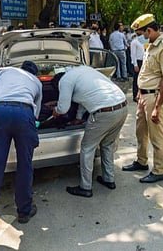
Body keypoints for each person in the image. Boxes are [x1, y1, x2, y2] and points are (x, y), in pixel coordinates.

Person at [0, 61, 42, 247]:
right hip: (24, 114)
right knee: (25, 166)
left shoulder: (4, 71)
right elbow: (37, 112)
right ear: (34, 73)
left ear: (20, 68)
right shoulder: (37, 82)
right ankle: (24, 211)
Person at [52, 66, 127, 198]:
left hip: (104, 112)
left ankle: (85, 187)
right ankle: (109, 179)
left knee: (87, 148)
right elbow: (83, 99)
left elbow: (63, 108)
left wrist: (56, 111)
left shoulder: (64, 81)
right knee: (107, 145)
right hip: (122, 106)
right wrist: (78, 118)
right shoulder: (83, 71)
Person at [122, 14, 163, 183]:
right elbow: (148, 72)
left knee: (156, 135)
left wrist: (157, 107)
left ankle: (159, 170)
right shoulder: (151, 45)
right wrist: (140, 91)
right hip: (144, 95)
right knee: (141, 132)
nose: (141, 35)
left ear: (150, 30)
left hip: (154, 97)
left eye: (142, 32)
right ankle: (141, 161)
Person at [130, 34, 145, 102]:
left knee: (142, 78)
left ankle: (141, 94)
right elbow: (133, 54)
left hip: (143, 61)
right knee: (136, 79)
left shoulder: (143, 42)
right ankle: (135, 95)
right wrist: (135, 64)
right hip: (137, 61)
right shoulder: (134, 42)